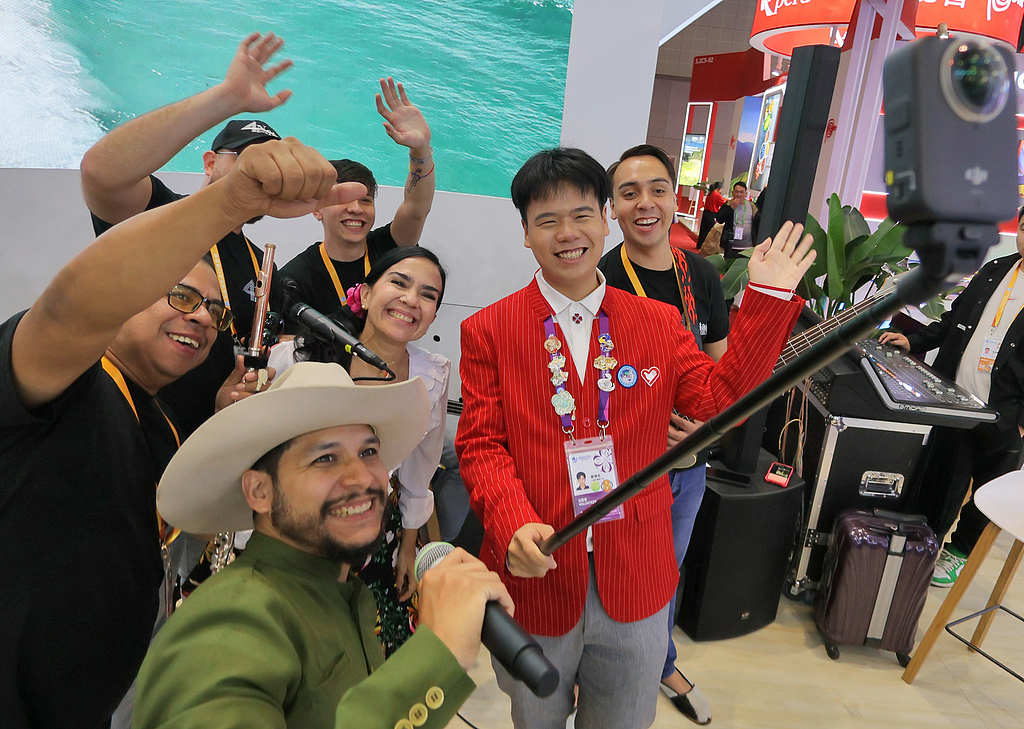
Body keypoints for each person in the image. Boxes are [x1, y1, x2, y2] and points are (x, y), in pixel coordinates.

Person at [0, 134, 363, 729]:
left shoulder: (159, 423)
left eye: (215, 312)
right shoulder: (64, 386)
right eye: (179, 294)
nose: (200, 316)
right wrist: (235, 196)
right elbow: (72, 303)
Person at [455, 147, 814, 729]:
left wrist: (767, 300)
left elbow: (721, 399)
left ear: (604, 219)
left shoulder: (656, 323)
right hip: (538, 572)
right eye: (547, 221)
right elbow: (481, 444)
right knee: (534, 719)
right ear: (525, 233)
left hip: (639, 575)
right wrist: (512, 522)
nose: (567, 234)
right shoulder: (489, 330)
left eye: (581, 215)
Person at [133, 362, 504, 729]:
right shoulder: (227, 627)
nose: (362, 477)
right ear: (259, 491)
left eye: (369, 452)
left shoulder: (346, 594)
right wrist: (437, 656)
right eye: (325, 458)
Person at [80, 32, 295, 438]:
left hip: (202, 435)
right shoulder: (161, 212)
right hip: (115, 415)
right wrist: (228, 97)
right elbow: (102, 174)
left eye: (271, 165)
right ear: (210, 162)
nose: (262, 173)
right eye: (248, 160)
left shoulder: (264, 268)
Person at [599, 144, 730, 725]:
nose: (644, 203)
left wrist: (702, 432)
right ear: (613, 209)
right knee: (608, 569)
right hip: (620, 468)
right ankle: (597, 665)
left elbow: (723, 375)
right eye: (629, 193)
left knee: (667, 572)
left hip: (688, 465)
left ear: (676, 199)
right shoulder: (599, 277)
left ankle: (660, 659)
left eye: (656, 189)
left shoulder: (701, 274)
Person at [270, 246, 450, 654]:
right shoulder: (297, 356)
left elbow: (420, 471)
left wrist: (407, 547)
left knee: (372, 655)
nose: (410, 300)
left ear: (434, 316)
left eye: (428, 295)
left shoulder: (432, 374)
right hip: (297, 530)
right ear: (366, 295)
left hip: (374, 536)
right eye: (399, 283)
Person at [879, 206, 1024, 587]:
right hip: (956, 400)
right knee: (945, 478)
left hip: (1006, 414)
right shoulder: (997, 269)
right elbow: (953, 322)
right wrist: (914, 340)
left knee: (988, 490)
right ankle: (922, 547)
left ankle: (959, 552)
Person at [281, 77, 436, 313]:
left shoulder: (388, 249)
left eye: (365, 200)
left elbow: (416, 210)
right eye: (341, 199)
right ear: (316, 209)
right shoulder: (296, 278)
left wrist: (421, 149)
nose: (356, 208)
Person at [715, 181, 756, 258]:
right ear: (733, 193)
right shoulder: (728, 204)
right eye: (736, 192)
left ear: (746, 194)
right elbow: (719, 219)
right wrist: (731, 208)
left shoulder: (752, 206)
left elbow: (758, 222)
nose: (739, 194)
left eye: (741, 192)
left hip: (748, 247)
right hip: (731, 246)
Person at [696, 181, 725, 248]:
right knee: (708, 232)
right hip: (712, 214)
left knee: (703, 230)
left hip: (706, 213)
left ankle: (699, 244)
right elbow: (723, 204)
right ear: (719, 188)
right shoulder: (717, 195)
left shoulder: (710, 193)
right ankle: (705, 246)